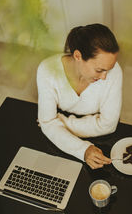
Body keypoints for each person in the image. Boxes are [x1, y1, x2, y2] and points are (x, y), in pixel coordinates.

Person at [37, 23, 122, 169]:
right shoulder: (47, 71)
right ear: (78, 56)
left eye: (109, 69)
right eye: (99, 70)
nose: (104, 77)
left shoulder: (114, 73)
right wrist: (83, 150)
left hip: (97, 138)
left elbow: (108, 125)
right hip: (77, 135)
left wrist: (61, 124)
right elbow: (47, 123)